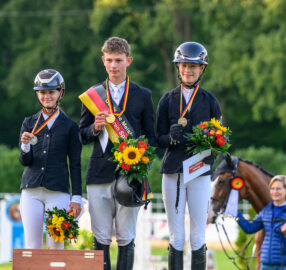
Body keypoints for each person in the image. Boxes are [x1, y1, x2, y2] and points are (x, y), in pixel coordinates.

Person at [79, 37, 155, 270]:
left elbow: (151, 138)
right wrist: (95, 128)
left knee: (126, 236)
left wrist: (140, 160)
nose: (114, 65)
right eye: (110, 60)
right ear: (103, 61)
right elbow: (82, 136)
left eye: (119, 60)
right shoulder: (91, 96)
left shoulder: (143, 95)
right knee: (100, 236)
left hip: (130, 177)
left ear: (128, 61)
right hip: (98, 173)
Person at [156, 41, 222, 270]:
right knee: (176, 235)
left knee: (197, 234)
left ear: (202, 68)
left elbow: (219, 140)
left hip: (200, 171)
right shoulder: (167, 100)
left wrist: (211, 152)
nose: (188, 70)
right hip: (173, 171)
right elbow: (158, 140)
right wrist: (170, 137)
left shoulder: (210, 101)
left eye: (194, 66)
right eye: (184, 65)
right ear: (178, 67)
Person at [19, 69, 82, 249]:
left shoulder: (70, 126)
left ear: (60, 93)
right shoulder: (29, 122)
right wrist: (25, 145)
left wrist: (76, 196)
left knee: (56, 245)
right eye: (42, 92)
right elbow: (24, 161)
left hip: (58, 192)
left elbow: (75, 163)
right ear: (37, 94)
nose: (47, 96)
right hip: (31, 190)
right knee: (33, 246)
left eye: (51, 92)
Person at [236, 175, 286, 270]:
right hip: (266, 265)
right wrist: (235, 213)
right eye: (272, 189)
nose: (274, 192)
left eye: (278, 189)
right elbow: (249, 228)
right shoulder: (266, 211)